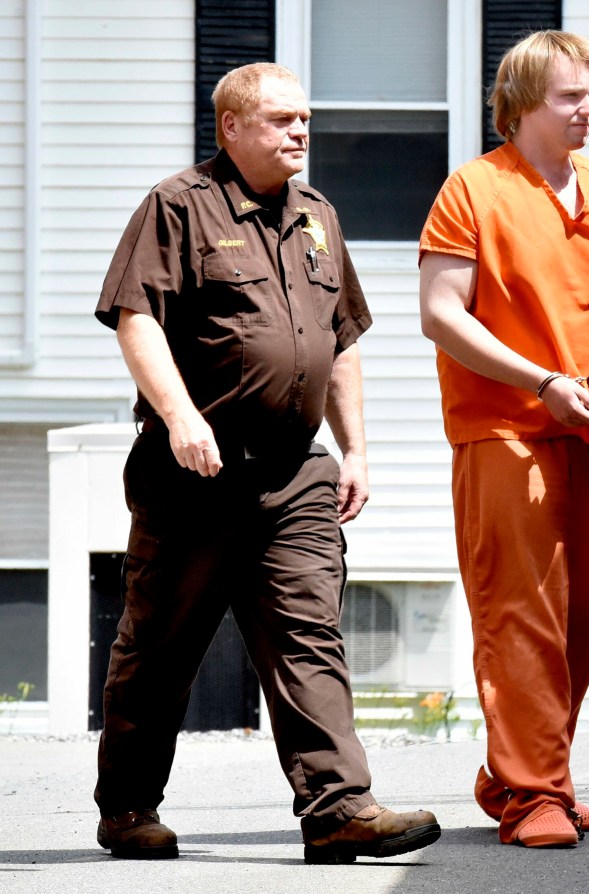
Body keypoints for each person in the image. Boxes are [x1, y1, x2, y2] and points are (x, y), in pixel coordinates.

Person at [93, 62, 440, 864]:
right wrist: (180, 417)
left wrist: (355, 450)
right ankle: (129, 809)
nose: (301, 133)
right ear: (232, 128)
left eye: (306, 119)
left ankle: (338, 810)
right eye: (282, 120)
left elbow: (340, 341)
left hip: (296, 476)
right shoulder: (179, 206)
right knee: (159, 647)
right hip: (194, 476)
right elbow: (136, 318)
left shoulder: (319, 215)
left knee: (308, 636)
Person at [419, 31, 589, 848]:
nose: (587, 109)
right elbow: (441, 312)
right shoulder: (473, 191)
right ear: (522, 102)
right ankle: (533, 797)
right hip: (506, 428)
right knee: (521, 613)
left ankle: (520, 770)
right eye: (571, 96)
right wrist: (542, 382)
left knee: (588, 613)